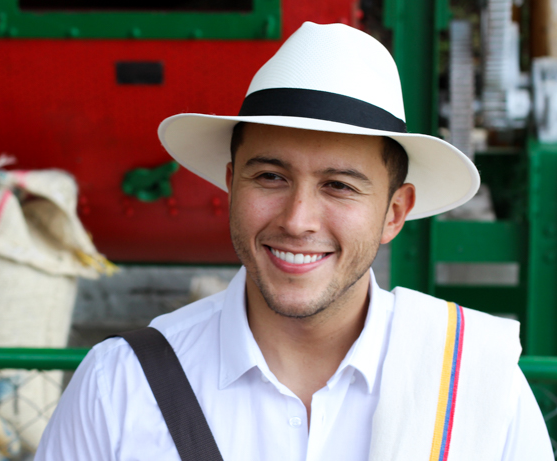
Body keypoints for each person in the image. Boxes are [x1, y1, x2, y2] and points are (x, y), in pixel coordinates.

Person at [35, 22, 552, 460]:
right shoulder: (119, 386)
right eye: (270, 177)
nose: (298, 219)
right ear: (232, 183)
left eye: (339, 186)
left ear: (394, 213)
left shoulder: (479, 386)